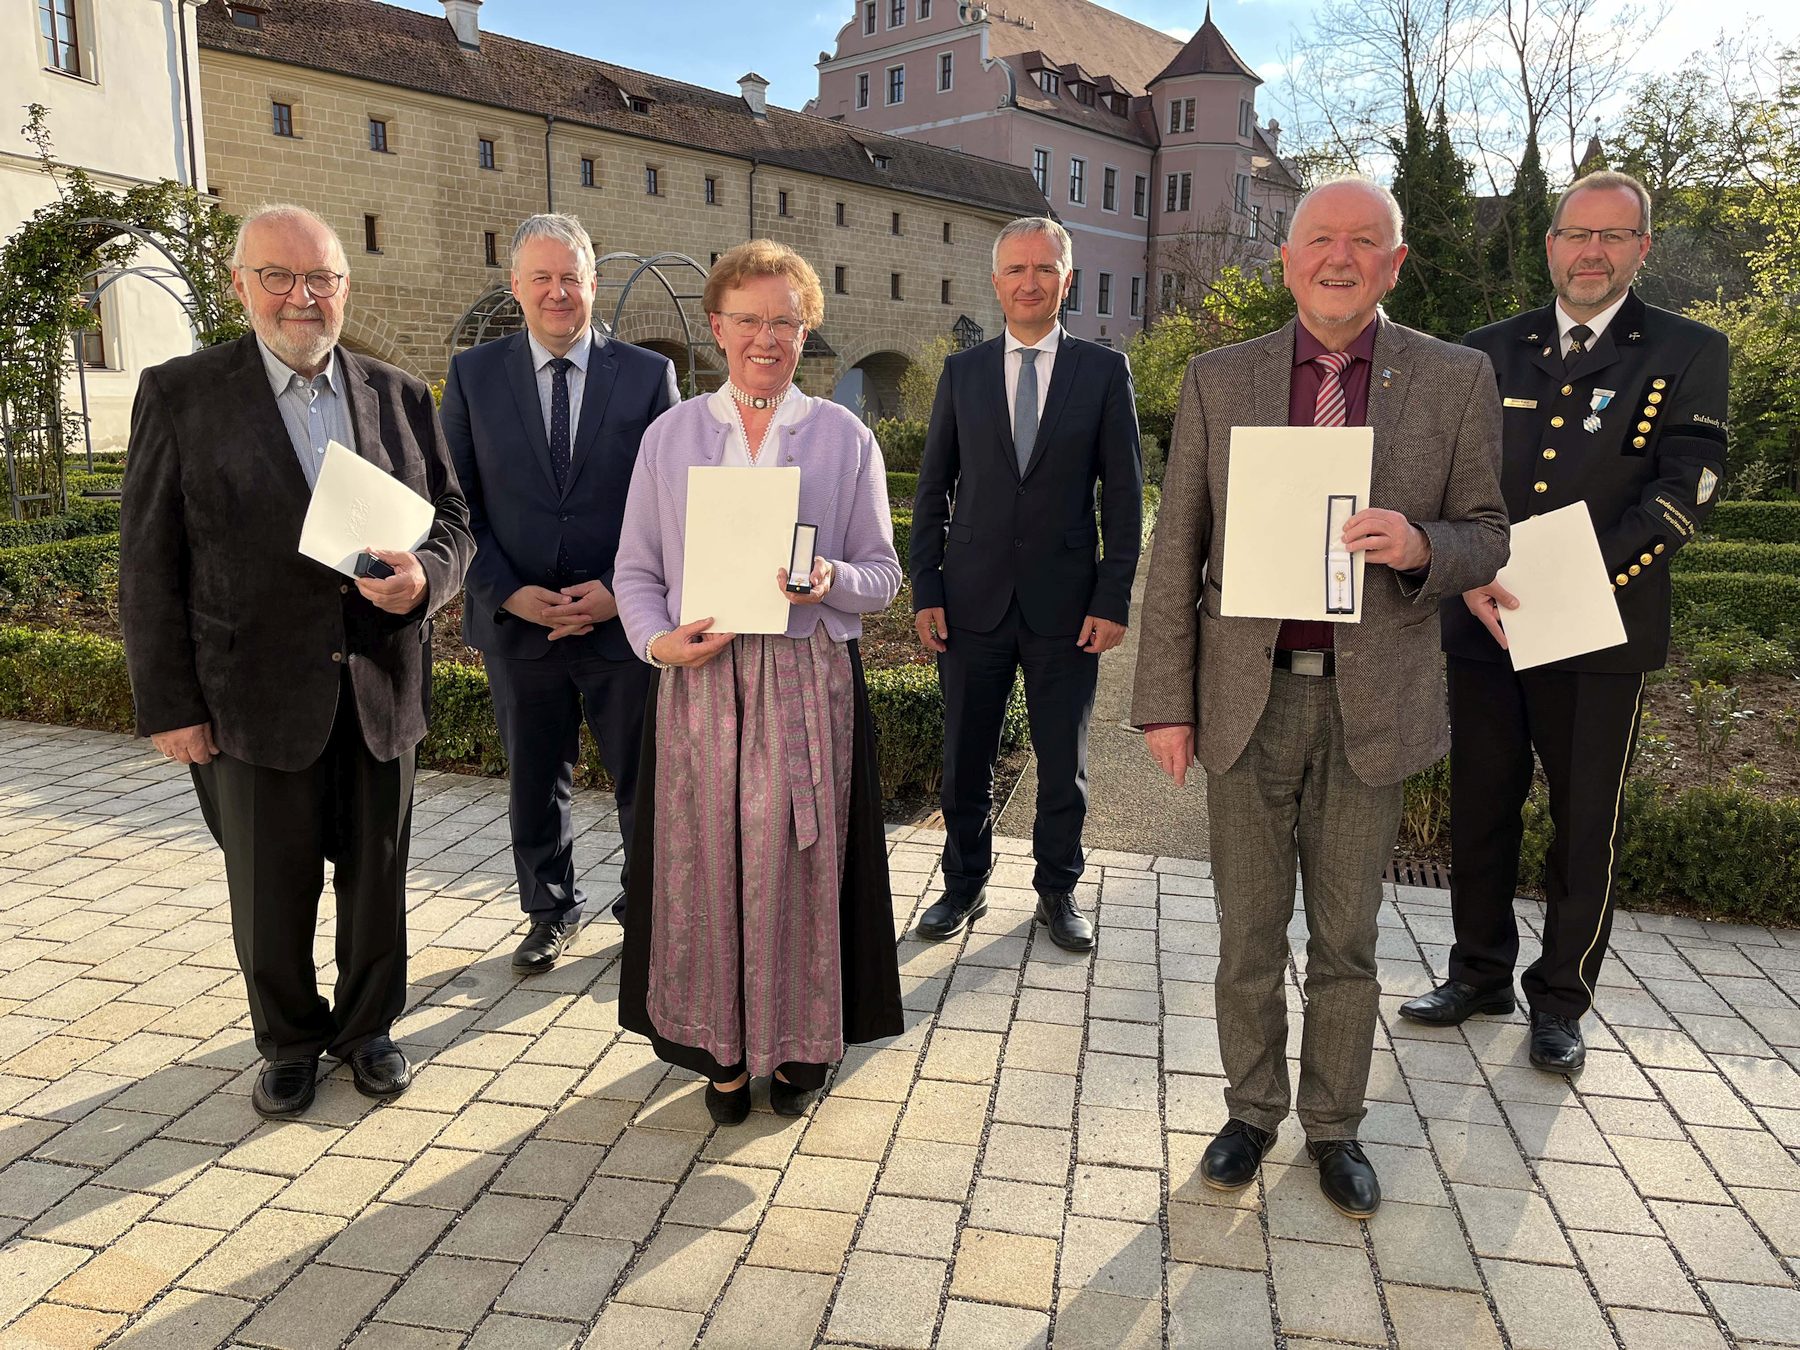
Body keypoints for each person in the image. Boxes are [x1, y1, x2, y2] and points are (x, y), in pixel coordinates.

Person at [1131, 178, 1507, 1218]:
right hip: (1249, 704)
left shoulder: (1454, 379)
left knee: (1347, 940)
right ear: (1288, 260)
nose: (1339, 258)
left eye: (1364, 242)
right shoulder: (1221, 379)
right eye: (1318, 241)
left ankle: (1334, 1126)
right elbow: (1178, 556)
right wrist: (1166, 702)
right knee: (1249, 933)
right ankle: (1251, 1112)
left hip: (1368, 704)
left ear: (1394, 261)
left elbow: (1489, 530)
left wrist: (1426, 544)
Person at [119, 204, 473, 1118]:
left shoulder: (398, 395)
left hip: (380, 682)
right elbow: (149, 563)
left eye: (321, 278)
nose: (301, 296)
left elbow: (456, 525)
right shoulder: (181, 394)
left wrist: (426, 579)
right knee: (269, 892)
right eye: (277, 275)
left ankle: (368, 1030)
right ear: (241, 285)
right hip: (252, 696)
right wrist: (169, 706)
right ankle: (286, 1041)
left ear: (346, 289)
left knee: (377, 879)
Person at [1400, 171, 1730, 1072]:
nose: (1593, 252)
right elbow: (1442, 481)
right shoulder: (1484, 350)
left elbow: (1683, 496)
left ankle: (1561, 998)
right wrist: (1463, 571)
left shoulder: (1687, 351)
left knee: (1586, 823)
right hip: (1485, 623)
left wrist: (1571, 583)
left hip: (1600, 631)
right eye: (1577, 234)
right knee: (1480, 810)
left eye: (1614, 236)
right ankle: (1476, 973)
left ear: (1642, 249)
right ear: (1549, 244)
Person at [612, 240, 904, 1123]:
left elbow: (883, 574)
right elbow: (634, 571)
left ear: (805, 330)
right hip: (700, 681)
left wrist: (829, 584)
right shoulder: (670, 436)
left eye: (785, 320)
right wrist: (658, 644)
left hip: (805, 682)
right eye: (749, 320)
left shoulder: (843, 437)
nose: (766, 338)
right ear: (717, 326)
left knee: (796, 869)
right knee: (706, 871)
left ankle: (797, 1041)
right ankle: (721, 1049)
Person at [440, 214, 679, 975]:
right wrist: (505, 592)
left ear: (593, 283)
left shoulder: (646, 376)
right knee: (536, 780)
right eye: (540, 277)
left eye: (569, 277)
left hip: (623, 625)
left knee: (645, 778)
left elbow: (675, 502)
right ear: (516, 287)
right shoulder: (473, 376)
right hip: (520, 626)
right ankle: (549, 909)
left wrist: (619, 592)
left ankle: (646, 907)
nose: (556, 292)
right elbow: (454, 502)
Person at [910, 216, 1143, 952]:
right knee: (963, 761)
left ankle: (1057, 892)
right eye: (1016, 269)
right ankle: (963, 885)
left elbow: (1126, 498)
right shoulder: (962, 373)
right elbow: (931, 491)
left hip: (1066, 607)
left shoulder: (1104, 374)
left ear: (1067, 280)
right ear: (996, 280)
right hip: (971, 602)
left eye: (1045, 268)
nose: (1030, 281)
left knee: (1062, 768)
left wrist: (1113, 599)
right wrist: (926, 588)